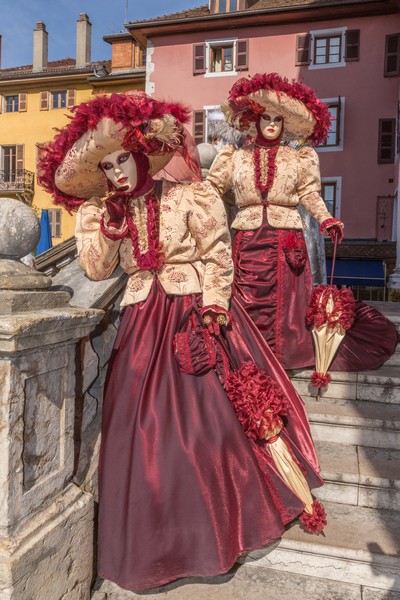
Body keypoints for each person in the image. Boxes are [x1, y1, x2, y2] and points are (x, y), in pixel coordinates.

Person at [38, 91, 325, 592]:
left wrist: (214, 305)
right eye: (107, 168)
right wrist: (110, 227)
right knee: (139, 429)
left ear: (141, 152)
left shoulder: (192, 195)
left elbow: (218, 256)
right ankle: (154, 543)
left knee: (206, 427)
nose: (117, 175)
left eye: (122, 160)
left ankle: (215, 527)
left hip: (196, 311)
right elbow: (96, 269)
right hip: (141, 321)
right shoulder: (99, 213)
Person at [207, 72, 398, 372]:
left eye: (278, 120)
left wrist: (327, 219)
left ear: (284, 125)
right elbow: (211, 191)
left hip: (286, 240)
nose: (271, 124)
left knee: (285, 303)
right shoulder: (234, 156)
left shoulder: (300, 158)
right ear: (254, 120)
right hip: (247, 240)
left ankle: (283, 358)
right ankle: (248, 356)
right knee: (246, 298)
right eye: (266, 117)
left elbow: (310, 194)